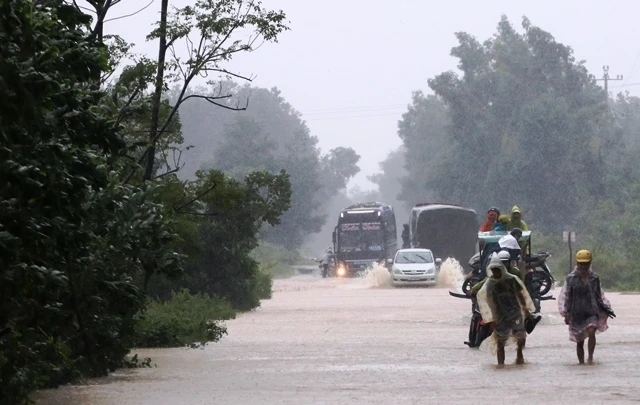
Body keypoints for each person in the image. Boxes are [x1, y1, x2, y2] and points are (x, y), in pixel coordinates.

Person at [558, 250, 616, 364]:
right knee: (580, 342)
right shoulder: (571, 278)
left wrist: (606, 309)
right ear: (577, 263)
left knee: (591, 331)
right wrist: (567, 314)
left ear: (590, 263)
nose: (583, 266)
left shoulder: (595, 278)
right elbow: (568, 297)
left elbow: (598, 296)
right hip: (577, 313)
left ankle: (590, 358)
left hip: (591, 312)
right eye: (581, 264)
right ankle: (581, 363)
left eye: (586, 264)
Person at [477, 255, 536, 366]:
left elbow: (520, 295)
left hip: (515, 313)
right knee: (500, 341)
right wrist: (492, 319)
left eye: (497, 270)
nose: (495, 273)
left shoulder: (511, 279)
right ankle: (501, 364)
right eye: (493, 270)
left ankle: (519, 353)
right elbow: (489, 302)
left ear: (502, 269)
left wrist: (526, 310)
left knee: (520, 335)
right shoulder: (490, 284)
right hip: (500, 315)